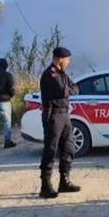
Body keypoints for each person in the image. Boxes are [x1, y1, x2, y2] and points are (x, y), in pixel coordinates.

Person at [38, 47, 81, 199]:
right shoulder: (51, 74)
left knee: (69, 148)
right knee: (50, 150)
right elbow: (63, 91)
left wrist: (68, 90)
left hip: (64, 114)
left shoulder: (62, 74)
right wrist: (68, 90)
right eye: (67, 60)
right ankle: (45, 185)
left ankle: (64, 181)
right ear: (60, 59)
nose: (68, 63)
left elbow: (75, 88)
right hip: (53, 115)